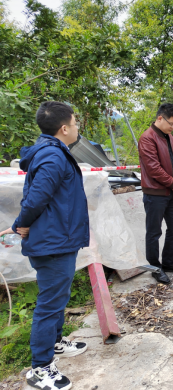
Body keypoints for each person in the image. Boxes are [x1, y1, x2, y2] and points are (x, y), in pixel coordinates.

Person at [0, 101, 90, 390]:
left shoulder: (52, 151)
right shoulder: (52, 156)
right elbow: (36, 198)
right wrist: (20, 224)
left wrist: (22, 223)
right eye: (75, 123)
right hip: (52, 243)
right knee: (50, 304)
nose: (77, 127)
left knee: (57, 297)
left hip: (57, 239)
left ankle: (55, 342)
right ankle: (40, 368)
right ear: (64, 128)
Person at [138, 103, 173, 284]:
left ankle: (168, 262)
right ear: (160, 118)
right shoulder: (147, 138)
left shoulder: (169, 137)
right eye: (171, 124)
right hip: (155, 193)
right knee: (154, 232)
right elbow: (153, 168)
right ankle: (155, 267)